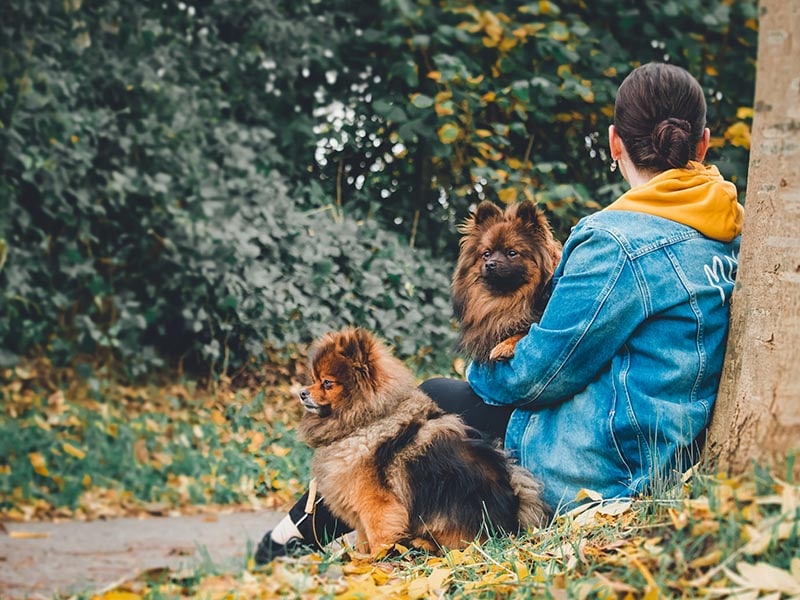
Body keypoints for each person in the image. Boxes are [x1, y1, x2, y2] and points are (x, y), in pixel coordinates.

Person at [254, 62, 744, 563]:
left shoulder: (616, 242)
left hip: (601, 468)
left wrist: (476, 368)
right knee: (434, 407)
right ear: (703, 144)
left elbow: (537, 376)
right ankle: (323, 532)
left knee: (425, 407)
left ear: (616, 142)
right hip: (667, 450)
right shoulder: (731, 234)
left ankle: (288, 537)